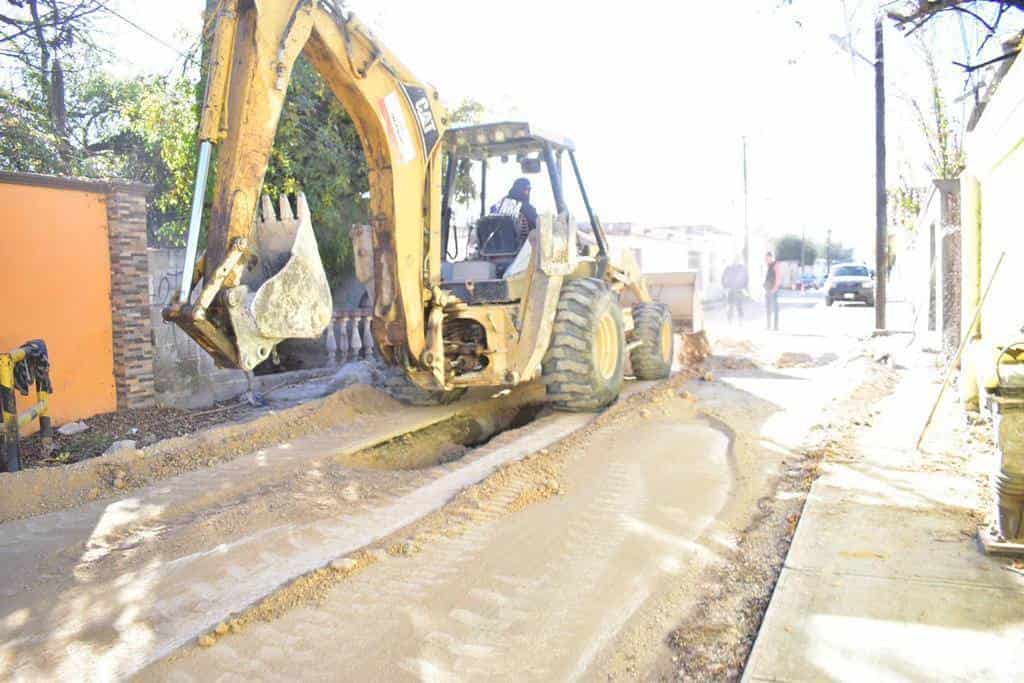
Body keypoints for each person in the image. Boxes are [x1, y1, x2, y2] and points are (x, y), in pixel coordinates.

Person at [490, 177, 538, 244]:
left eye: (528, 190)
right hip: (520, 250)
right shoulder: (527, 208)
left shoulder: (499, 204)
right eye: (525, 189)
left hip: (496, 247)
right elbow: (538, 226)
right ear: (518, 189)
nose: (527, 192)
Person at [721, 255, 749, 324]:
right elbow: (723, 277)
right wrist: (725, 286)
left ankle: (740, 321)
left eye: (737, 259)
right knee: (730, 306)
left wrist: (744, 287)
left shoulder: (742, 268)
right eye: (735, 259)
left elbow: (746, 278)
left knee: (739, 306)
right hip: (731, 290)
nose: (736, 261)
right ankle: (730, 321)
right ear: (733, 260)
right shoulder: (728, 268)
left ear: (739, 260)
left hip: (739, 290)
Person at [764, 250, 781, 330]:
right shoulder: (768, 265)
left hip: (773, 291)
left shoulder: (775, 265)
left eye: (767, 258)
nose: (766, 260)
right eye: (765, 258)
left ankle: (775, 326)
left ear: (771, 257)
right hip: (768, 290)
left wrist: (774, 289)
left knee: (775, 309)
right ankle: (768, 326)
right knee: (768, 308)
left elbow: (778, 278)